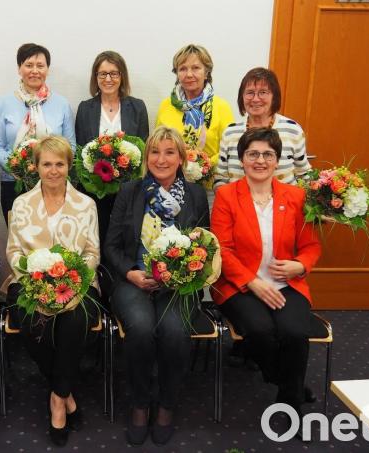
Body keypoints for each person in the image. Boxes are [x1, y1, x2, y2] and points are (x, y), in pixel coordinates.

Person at [104, 126, 211, 446]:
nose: (161, 159)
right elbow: (110, 246)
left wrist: (178, 274)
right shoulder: (130, 191)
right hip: (133, 278)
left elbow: (205, 245)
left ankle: (166, 403)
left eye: (169, 152)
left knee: (175, 330)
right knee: (139, 327)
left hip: (178, 284)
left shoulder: (194, 195)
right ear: (146, 156)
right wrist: (131, 273)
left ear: (181, 158)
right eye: (154, 151)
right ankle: (139, 403)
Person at [211, 127, 321, 419]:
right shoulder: (226, 196)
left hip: (287, 283)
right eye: (253, 154)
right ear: (242, 159)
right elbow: (222, 248)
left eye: (267, 154)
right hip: (239, 285)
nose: (260, 160)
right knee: (260, 331)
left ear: (277, 160)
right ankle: (291, 384)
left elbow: (311, 245)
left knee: (295, 333)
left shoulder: (297, 196)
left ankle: (290, 404)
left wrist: (301, 265)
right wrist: (253, 282)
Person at [5, 136, 100, 447]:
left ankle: (57, 400)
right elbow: (14, 251)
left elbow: (92, 253)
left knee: (74, 324)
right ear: (36, 167)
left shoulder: (86, 204)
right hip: (29, 281)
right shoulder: (21, 204)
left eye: (60, 163)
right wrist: (36, 279)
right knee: (31, 323)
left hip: (78, 284)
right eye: (47, 163)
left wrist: (72, 280)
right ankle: (67, 393)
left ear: (69, 166)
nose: (53, 169)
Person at [0, 43, 77, 223]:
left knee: (54, 236)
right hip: (13, 182)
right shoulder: (4, 103)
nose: (34, 71)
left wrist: (52, 170)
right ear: (19, 69)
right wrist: (18, 169)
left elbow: (71, 145)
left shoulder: (61, 104)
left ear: (48, 69)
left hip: (54, 183)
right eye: (29, 65)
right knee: (20, 238)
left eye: (40, 66)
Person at [75, 50, 150, 245]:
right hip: (95, 190)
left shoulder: (137, 107)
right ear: (96, 77)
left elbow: (143, 150)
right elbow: (80, 152)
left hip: (128, 190)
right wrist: (94, 182)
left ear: (122, 76)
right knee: (97, 237)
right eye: (103, 74)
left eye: (114, 73)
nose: (108, 78)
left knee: (124, 240)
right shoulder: (85, 108)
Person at [155, 44, 234, 203]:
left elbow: (230, 148)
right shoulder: (166, 105)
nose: (189, 74)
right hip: (169, 185)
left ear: (206, 73)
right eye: (183, 69)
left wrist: (199, 166)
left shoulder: (221, 107)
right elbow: (157, 146)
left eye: (196, 68)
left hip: (210, 188)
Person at [214, 67, 311, 189]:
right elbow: (221, 178)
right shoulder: (230, 132)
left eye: (263, 92)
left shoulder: (293, 130)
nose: (255, 99)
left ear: (274, 97)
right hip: (237, 206)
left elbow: (304, 176)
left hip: (283, 206)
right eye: (250, 93)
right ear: (241, 97)